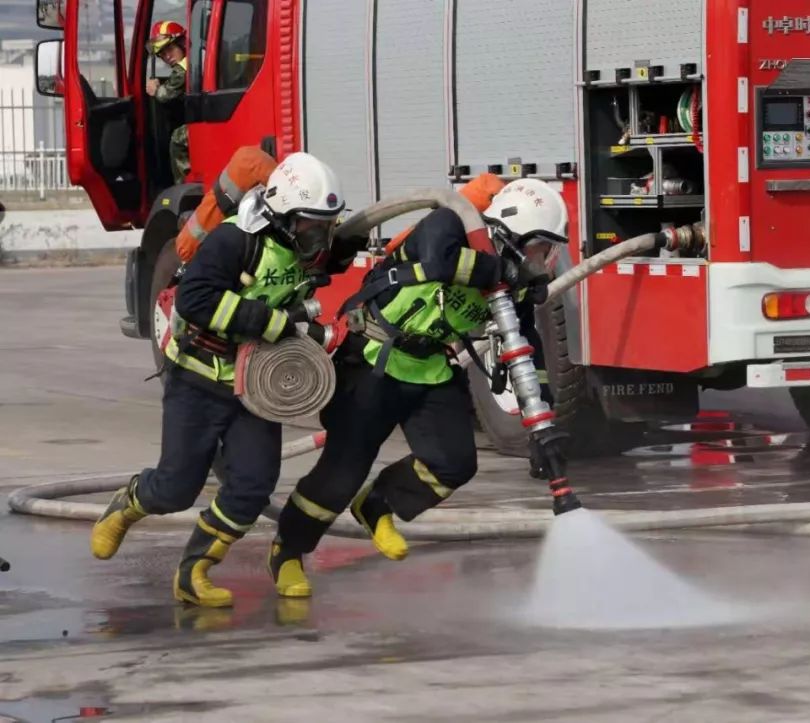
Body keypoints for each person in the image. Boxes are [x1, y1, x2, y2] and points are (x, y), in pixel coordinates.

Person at [267, 178, 566, 598]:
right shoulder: (448, 222)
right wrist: (502, 270)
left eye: (549, 253)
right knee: (340, 475)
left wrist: (542, 420)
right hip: (371, 358)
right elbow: (439, 261)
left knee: (454, 462)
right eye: (540, 249)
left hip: (429, 367)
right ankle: (288, 551)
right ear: (511, 233)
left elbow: (525, 345)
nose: (544, 261)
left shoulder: (509, 280)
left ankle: (378, 505)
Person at [90, 152, 346, 608]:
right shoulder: (234, 242)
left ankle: (194, 572)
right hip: (198, 379)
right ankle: (129, 503)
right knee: (176, 487)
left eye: (325, 225)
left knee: (251, 487)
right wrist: (272, 322)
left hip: (253, 388)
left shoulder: (308, 248)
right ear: (284, 216)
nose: (319, 236)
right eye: (311, 225)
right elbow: (195, 301)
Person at [145, 20, 190, 183]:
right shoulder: (194, 61)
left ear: (182, 43)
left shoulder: (182, 69)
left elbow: (165, 95)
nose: (167, 57)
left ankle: (184, 183)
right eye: (162, 54)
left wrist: (155, 89)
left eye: (169, 49)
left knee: (178, 138)